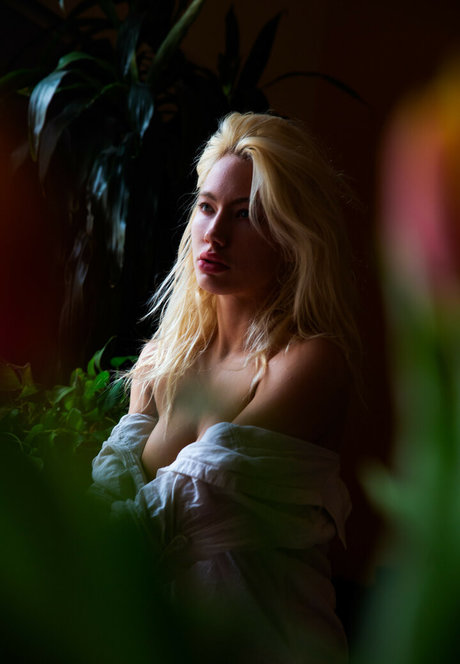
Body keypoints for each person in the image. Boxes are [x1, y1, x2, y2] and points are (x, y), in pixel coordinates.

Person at [91, 112, 359, 663]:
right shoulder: (163, 361)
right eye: (207, 207)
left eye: (246, 214)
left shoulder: (308, 363)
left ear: (291, 235)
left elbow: (176, 513)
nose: (215, 234)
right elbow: (108, 491)